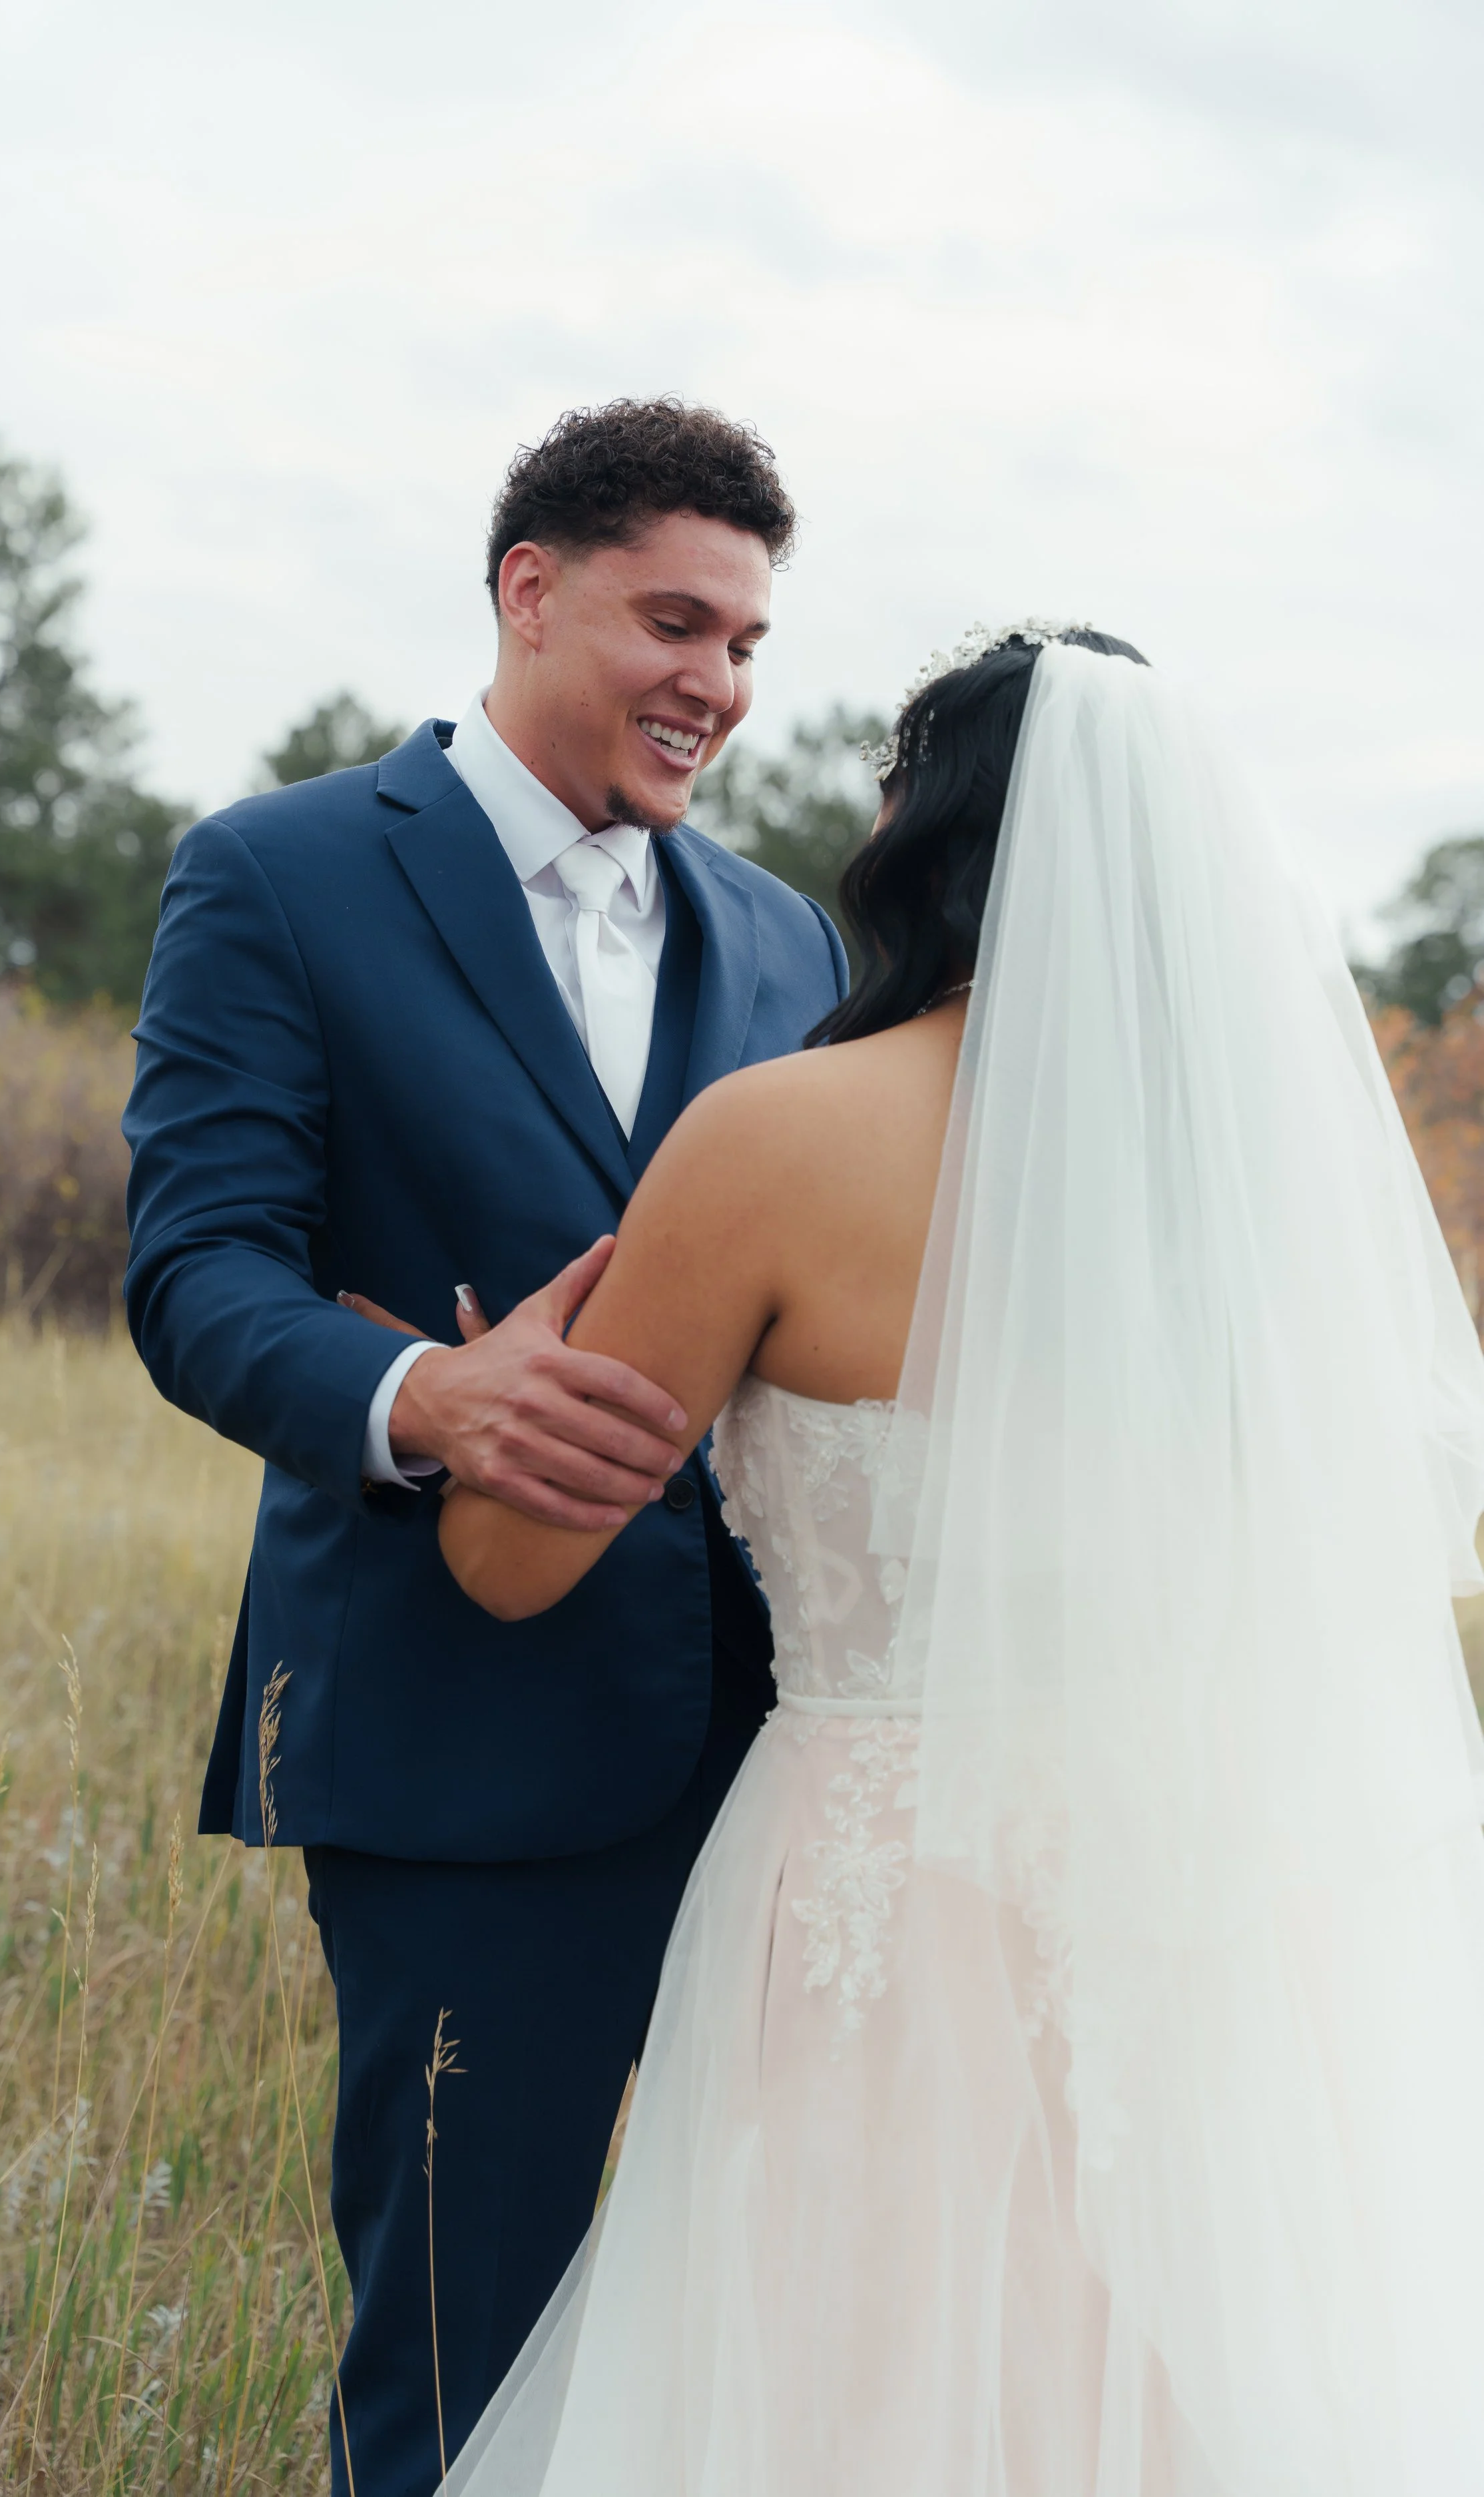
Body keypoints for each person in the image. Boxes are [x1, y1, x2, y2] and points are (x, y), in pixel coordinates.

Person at [425, 626, 1484, 2494]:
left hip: (880, 1887)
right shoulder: (1252, 1207)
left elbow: (513, 1559)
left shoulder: (770, 1140)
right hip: (1211, 1898)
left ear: (921, 840)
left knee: (853, 2378)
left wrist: (475, 1387)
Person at [120, 399, 846, 2494]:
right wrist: (423, 1400)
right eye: (674, 620)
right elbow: (200, 1270)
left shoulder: (787, 940)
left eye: (746, 644)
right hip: (459, 1738)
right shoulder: (277, 873)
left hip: (776, 1752)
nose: (714, 681)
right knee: (457, 2347)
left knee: (757, 2329)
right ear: (529, 589)